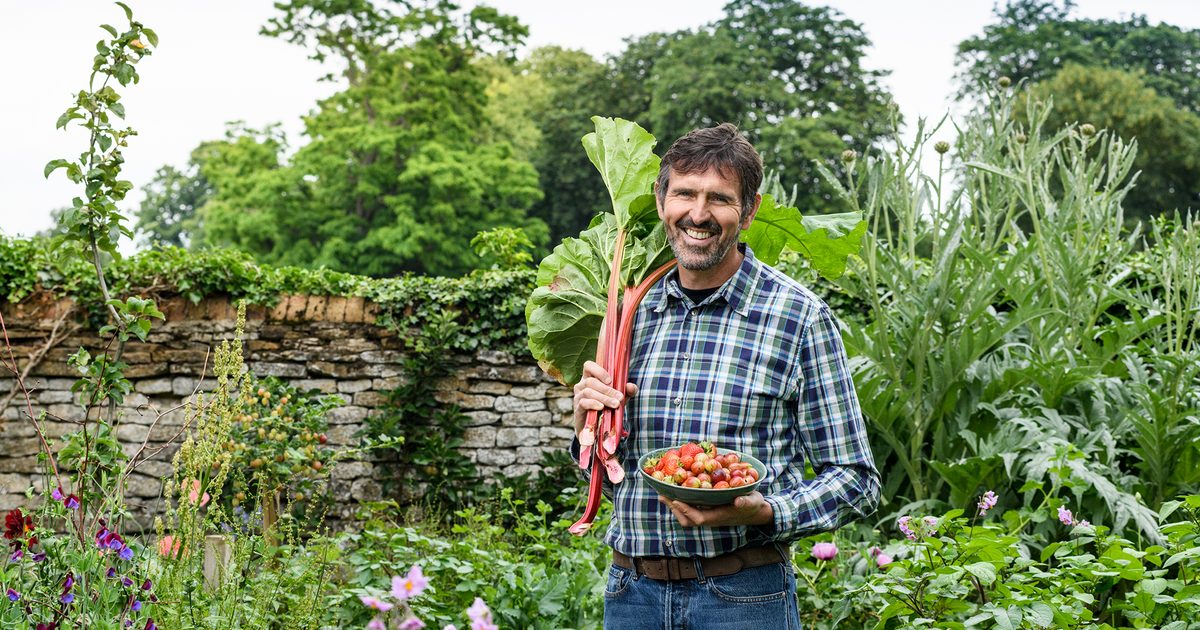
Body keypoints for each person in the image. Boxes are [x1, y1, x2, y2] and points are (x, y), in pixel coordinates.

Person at [571, 123, 880, 629]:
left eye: (719, 198)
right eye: (684, 194)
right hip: (632, 596)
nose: (698, 214)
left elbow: (856, 480)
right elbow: (607, 478)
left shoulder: (798, 317)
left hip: (743, 597)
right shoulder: (631, 312)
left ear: (750, 209)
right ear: (661, 198)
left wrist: (765, 513)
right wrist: (586, 425)